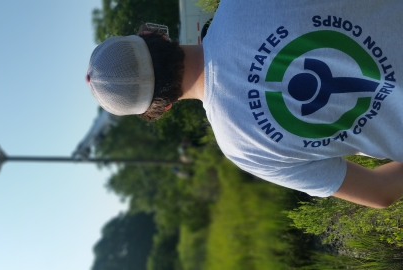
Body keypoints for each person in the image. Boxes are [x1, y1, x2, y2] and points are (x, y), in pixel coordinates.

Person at [86, 0, 403, 209]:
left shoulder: (242, 148)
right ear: (154, 35)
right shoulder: (242, 5)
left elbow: (380, 191)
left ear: (161, 108)